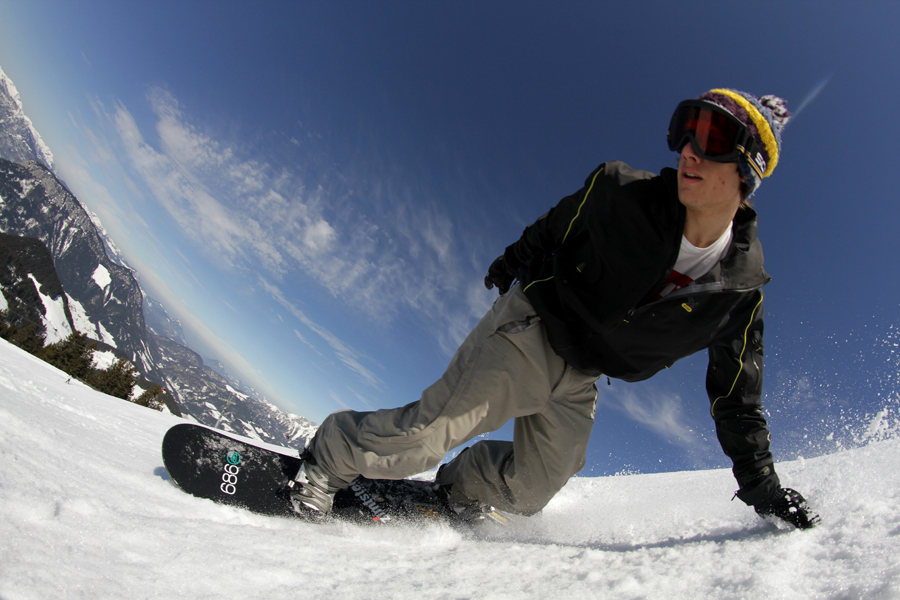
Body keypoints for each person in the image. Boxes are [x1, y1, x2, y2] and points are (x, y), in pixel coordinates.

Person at [290, 88, 820, 529]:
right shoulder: (620, 191)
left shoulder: (739, 295)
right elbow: (557, 226)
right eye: (684, 129)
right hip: (534, 330)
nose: (688, 150)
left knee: (530, 492)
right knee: (422, 439)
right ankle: (326, 458)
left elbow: (737, 400)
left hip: (583, 377)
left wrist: (764, 489)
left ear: (748, 171)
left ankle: (458, 489)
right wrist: (513, 261)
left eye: (711, 137)